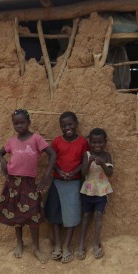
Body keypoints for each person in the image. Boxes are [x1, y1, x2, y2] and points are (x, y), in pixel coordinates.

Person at [0, 109, 56, 264]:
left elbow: (52, 154)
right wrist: (3, 162)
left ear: (29, 122)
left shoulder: (36, 138)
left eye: (22, 122)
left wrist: (46, 176)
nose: (19, 126)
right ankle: (20, 243)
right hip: (13, 182)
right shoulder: (12, 141)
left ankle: (36, 248)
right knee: (16, 213)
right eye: (16, 123)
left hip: (29, 183)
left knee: (33, 214)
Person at [45, 111, 89, 264]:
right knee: (55, 214)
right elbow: (53, 159)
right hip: (58, 182)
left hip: (74, 183)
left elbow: (84, 161)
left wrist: (73, 173)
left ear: (76, 124)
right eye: (64, 126)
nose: (67, 128)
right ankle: (57, 245)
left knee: (71, 215)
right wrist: (60, 172)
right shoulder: (57, 141)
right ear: (60, 127)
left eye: (70, 124)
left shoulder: (83, 142)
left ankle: (66, 246)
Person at [77, 128, 114, 260]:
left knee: (98, 216)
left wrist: (103, 163)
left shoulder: (107, 156)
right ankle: (81, 244)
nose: (96, 145)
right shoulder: (87, 154)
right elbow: (83, 173)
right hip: (88, 190)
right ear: (89, 142)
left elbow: (110, 173)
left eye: (100, 142)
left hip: (101, 191)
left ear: (105, 142)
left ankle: (95, 244)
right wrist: (90, 162)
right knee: (86, 217)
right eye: (93, 142)